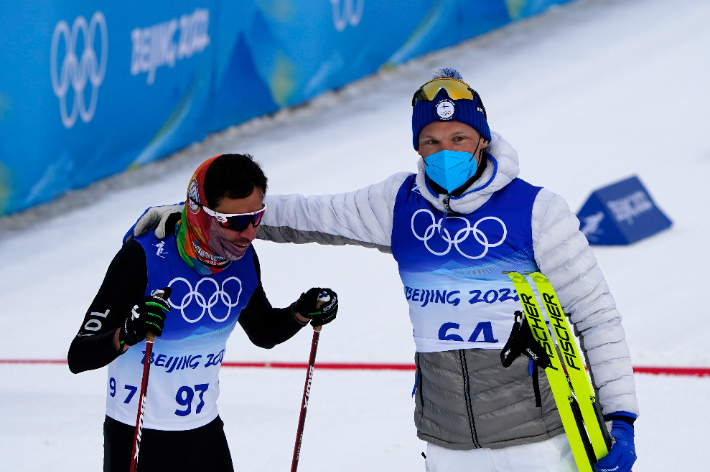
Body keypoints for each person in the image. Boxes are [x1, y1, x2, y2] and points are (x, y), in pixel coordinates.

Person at [131, 69, 638, 472]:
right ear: (417, 146)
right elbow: (307, 215)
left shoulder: (537, 212)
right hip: (449, 444)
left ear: (483, 139)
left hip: (542, 440)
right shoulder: (400, 205)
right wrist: (195, 212)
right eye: (432, 142)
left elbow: (595, 316)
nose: (446, 152)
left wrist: (620, 415)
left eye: (459, 137)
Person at [69, 154, 339, 472]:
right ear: (201, 215)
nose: (250, 233)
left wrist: (303, 311)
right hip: (137, 437)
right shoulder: (142, 258)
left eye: (256, 217)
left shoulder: (242, 262)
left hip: (203, 434)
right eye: (234, 222)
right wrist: (126, 332)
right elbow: (79, 356)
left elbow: (264, 332)